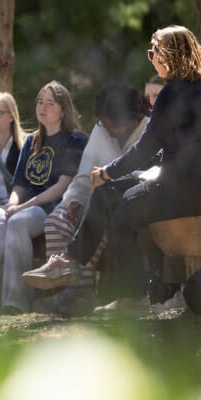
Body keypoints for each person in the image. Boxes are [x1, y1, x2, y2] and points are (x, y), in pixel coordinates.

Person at [29, 26, 201, 313]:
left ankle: (132, 295)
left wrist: (105, 173)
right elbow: (167, 148)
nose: (150, 58)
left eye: (154, 52)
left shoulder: (174, 92)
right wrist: (114, 176)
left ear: (170, 55)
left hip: (195, 191)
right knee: (108, 192)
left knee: (123, 205)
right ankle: (70, 261)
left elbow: (144, 148)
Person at [23, 84, 149, 312]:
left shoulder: (149, 130)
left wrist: (107, 179)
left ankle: (77, 288)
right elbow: (83, 175)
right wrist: (74, 201)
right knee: (56, 222)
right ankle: (63, 287)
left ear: (134, 118)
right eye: (104, 122)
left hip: (130, 204)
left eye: (116, 124)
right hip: (94, 201)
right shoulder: (102, 130)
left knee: (109, 206)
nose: (111, 130)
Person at [0, 81, 86, 314]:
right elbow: (19, 184)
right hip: (24, 206)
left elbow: (62, 187)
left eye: (50, 103)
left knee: (18, 223)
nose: (42, 107)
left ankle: (15, 304)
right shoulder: (32, 141)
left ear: (63, 109)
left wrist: (23, 208)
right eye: (40, 102)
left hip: (51, 208)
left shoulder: (76, 140)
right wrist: (12, 204)